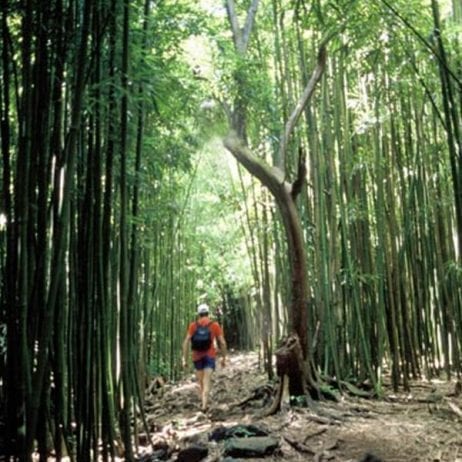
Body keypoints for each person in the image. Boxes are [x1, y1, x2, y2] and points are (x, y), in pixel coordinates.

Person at [182, 303, 227, 412]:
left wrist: (184, 358)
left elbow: (186, 341)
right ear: (208, 313)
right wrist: (223, 357)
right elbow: (222, 342)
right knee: (206, 381)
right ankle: (204, 405)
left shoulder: (193, 325)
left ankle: (203, 403)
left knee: (201, 381)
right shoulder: (214, 325)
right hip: (209, 356)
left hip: (197, 356)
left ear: (199, 314)